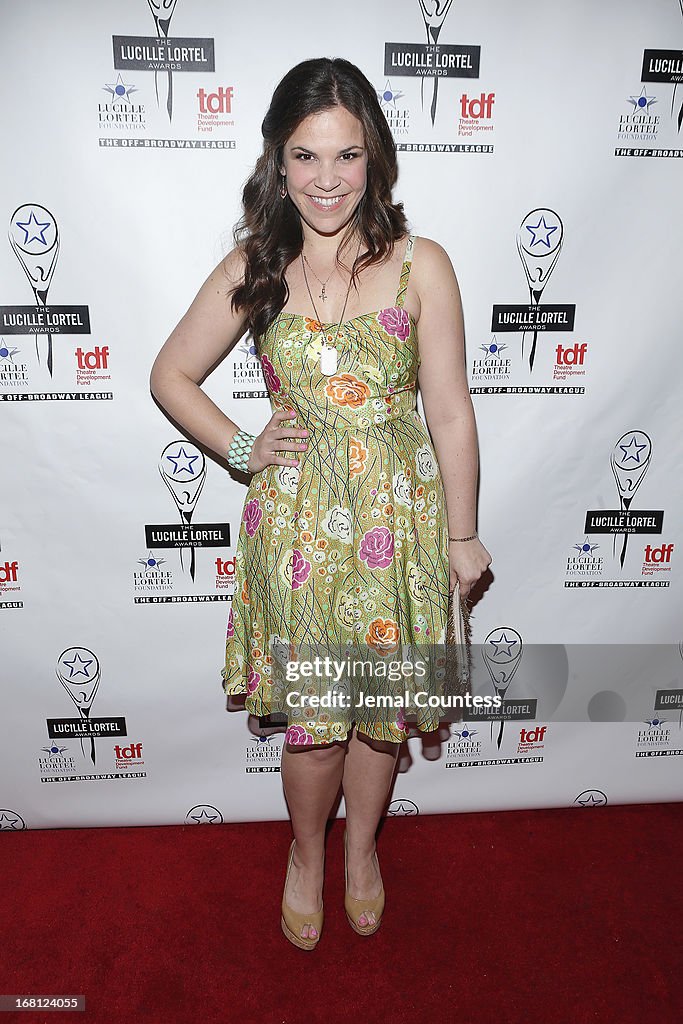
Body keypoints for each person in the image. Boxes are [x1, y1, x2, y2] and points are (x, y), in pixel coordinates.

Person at [149, 56, 491, 950]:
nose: (327, 179)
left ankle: (362, 851)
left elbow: (449, 407)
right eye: (305, 157)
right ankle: (307, 853)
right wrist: (241, 448)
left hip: (395, 522)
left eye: (345, 156)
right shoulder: (254, 265)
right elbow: (170, 375)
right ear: (277, 160)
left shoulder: (423, 265)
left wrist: (461, 533)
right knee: (314, 727)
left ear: (372, 155)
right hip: (297, 528)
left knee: (377, 714)